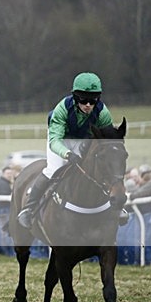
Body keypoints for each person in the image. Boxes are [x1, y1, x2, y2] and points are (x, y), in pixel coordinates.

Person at [17, 72, 117, 230]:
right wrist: (68, 154)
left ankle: (114, 208)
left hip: (83, 139)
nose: (88, 105)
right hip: (60, 138)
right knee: (54, 169)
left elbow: (109, 140)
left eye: (93, 100)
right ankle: (29, 209)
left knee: (97, 168)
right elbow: (55, 141)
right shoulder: (62, 109)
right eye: (84, 100)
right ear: (75, 97)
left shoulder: (103, 112)